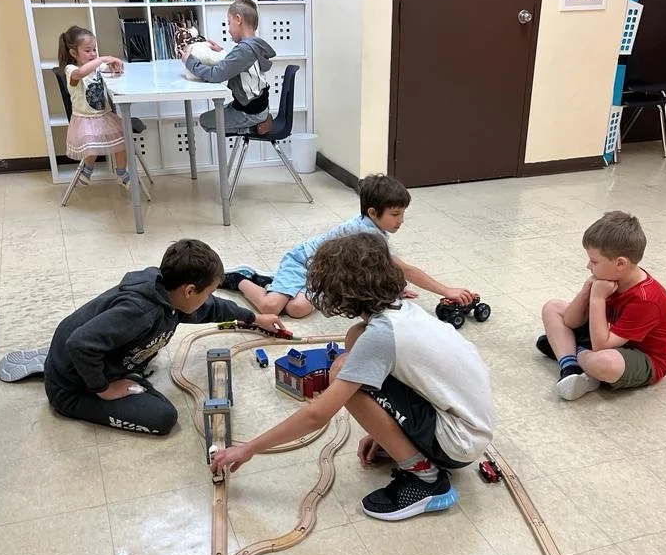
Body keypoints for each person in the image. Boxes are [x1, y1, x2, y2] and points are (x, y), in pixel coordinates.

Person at [210, 232, 495, 522]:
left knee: (343, 376)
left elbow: (317, 415)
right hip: (465, 425)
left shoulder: (382, 336)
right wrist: (383, 433)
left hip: (457, 441)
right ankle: (413, 449)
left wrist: (248, 448)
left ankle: (426, 480)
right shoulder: (402, 311)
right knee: (353, 345)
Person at [41, 239, 286, 435]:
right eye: (207, 291)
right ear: (189, 291)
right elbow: (80, 343)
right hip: (72, 388)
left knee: (138, 353)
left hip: (87, 352)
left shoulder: (171, 294)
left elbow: (211, 306)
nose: (209, 297)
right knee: (163, 417)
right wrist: (104, 389)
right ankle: (75, 372)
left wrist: (253, 318)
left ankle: (74, 363)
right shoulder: (141, 312)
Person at [220, 174, 477, 318]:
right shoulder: (366, 233)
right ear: (373, 212)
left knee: (297, 309)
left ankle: (270, 283)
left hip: (322, 273)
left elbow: (375, 267)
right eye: (396, 214)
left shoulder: (374, 228)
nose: (401, 221)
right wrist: (446, 290)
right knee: (270, 309)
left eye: (402, 214)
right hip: (302, 261)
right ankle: (241, 278)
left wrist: (394, 290)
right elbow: (405, 268)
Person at [538, 210, 666, 401]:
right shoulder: (610, 277)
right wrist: (585, 292)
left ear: (620, 263)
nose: (588, 266)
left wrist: (597, 298)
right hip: (610, 337)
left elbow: (600, 347)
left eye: (594, 261)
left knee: (604, 362)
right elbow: (571, 321)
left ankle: (570, 351)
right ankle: (570, 368)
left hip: (642, 357)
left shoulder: (645, 299)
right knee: (552, 307)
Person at [181, 0, 276, 136]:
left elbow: (215, 75)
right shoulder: (253, 46)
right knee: (213, 117)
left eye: (229, 23)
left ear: (238, 19)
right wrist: (222, 53)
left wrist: (189, 62)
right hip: (257, 106)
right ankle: (258, 122)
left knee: (205, 120)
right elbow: (238, 65)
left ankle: (254, 129)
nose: (228, 29)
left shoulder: (244, 50)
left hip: (250, 112)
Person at [58, 25, 129, 188]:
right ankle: (87, 169)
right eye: (88, 50)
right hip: (85, 119)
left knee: (121, 143)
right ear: (74, 53)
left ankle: (121, 173)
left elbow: (107, 69)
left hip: (104, 116)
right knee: (92, 145)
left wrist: (115, 66)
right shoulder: (71, 69)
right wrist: (102, 59)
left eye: (94, 50)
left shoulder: (96, 65)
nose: (93, 54)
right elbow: (80, 74)